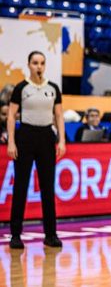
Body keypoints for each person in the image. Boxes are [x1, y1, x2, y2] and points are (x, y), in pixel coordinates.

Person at [6, 51, 66, 249]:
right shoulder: (21, 88)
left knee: (48, 188)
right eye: (35, 63)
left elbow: (59, 116)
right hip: (26, 137)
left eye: (41, 63)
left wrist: (62, 141)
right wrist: (11, 142)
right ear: (28, 65)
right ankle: (15, 235)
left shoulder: (53, 88)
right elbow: (11, 116)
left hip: (46, 137)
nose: (38, 66)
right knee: (21, 186)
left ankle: (51, 234)